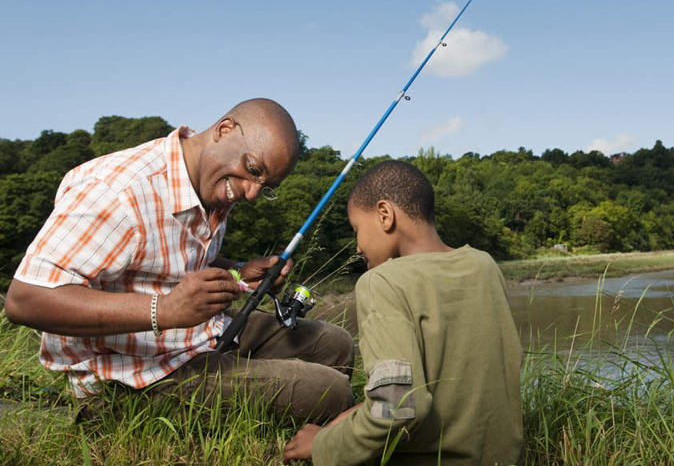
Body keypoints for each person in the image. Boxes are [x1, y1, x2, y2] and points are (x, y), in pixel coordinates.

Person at [4, 98, 354, 422]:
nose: (251, 193)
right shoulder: (116, 190)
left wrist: (238, 271)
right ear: (224, 129)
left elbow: (171, 267)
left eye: (266, 185)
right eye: (252, 169)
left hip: (196, 338)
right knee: (329, 391)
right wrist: (165, 310)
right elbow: (26, 301)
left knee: (334, 346)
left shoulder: (212, 186)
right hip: (128, 378)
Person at [283, 160, 523, 465]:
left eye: (357, 229)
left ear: (385, 215)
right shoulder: (484, 265)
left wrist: (323, 444)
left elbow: (398, 408)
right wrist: (357, 413)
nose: (357, 247)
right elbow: (455, 383)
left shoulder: (381, 282)